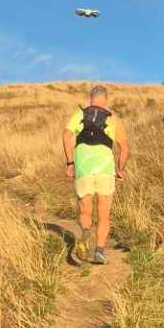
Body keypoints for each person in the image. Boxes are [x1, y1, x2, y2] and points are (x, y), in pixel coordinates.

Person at [61, 84, 128, 265]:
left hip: (83, 168)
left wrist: (70, 162)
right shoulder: (114, 119)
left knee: (85, 210)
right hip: (105, 170)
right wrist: (119, 169)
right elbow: (124, 148)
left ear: (90, 98)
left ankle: (85, 232)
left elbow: (66, 135)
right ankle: (99, 251)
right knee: (104, 215)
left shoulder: (80, 114)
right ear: (105, 99)